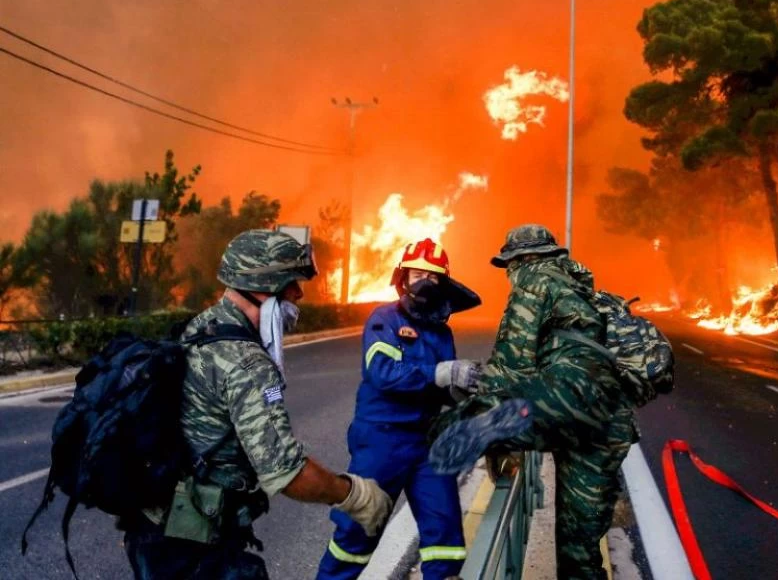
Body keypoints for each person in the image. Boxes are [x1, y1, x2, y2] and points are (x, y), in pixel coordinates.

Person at [121, 229, 394, 580]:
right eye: (293, 283)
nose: (300, 294)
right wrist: (355, 496)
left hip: (155, 528)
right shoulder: (247, 363)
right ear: (265, 285)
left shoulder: (203, 326)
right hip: (188, 546)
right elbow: (287, 472)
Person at [429, 224, 639, 580]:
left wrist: (472, 389)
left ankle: (491, 428)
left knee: (446, 429)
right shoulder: (585, 292)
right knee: (580, 553)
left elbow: (512, 366)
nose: (510, 273)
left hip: (569, 396)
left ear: (522, 258)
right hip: (609, 421)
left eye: (510, 265)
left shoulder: (534, 281)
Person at [317, 238, 482, 580]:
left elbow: (442, 387)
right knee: (356, 532)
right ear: (401, 278)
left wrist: (462, 392)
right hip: (382, 440)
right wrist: (439, 373)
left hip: (427, 444)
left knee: (446, 536)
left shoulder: (441, 332)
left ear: (442, 284)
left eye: (431, 276)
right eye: (416, 273)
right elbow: (382, 373)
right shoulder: (384, 319)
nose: (423, 281)